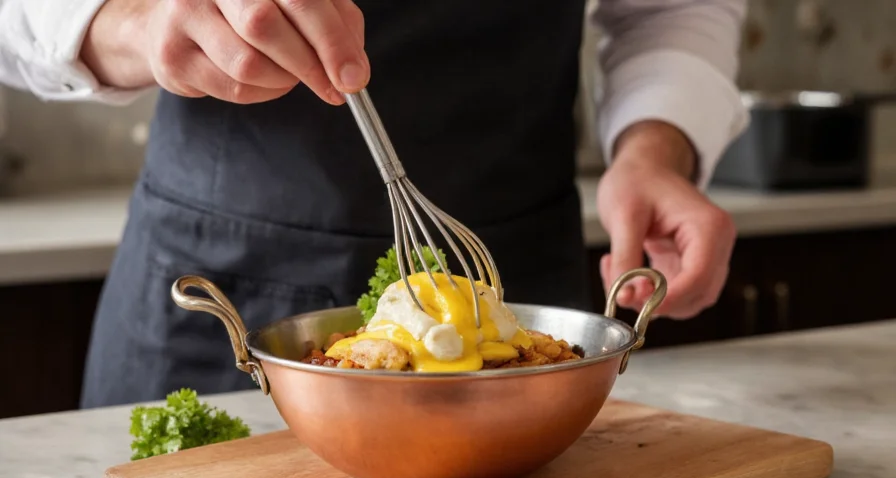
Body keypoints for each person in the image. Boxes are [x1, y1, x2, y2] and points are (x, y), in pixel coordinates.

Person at [0, 0, 748, 408]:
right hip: (216, 278)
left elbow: (671, 9)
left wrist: (655, 149)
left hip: (515, 288)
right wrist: (133, 21)